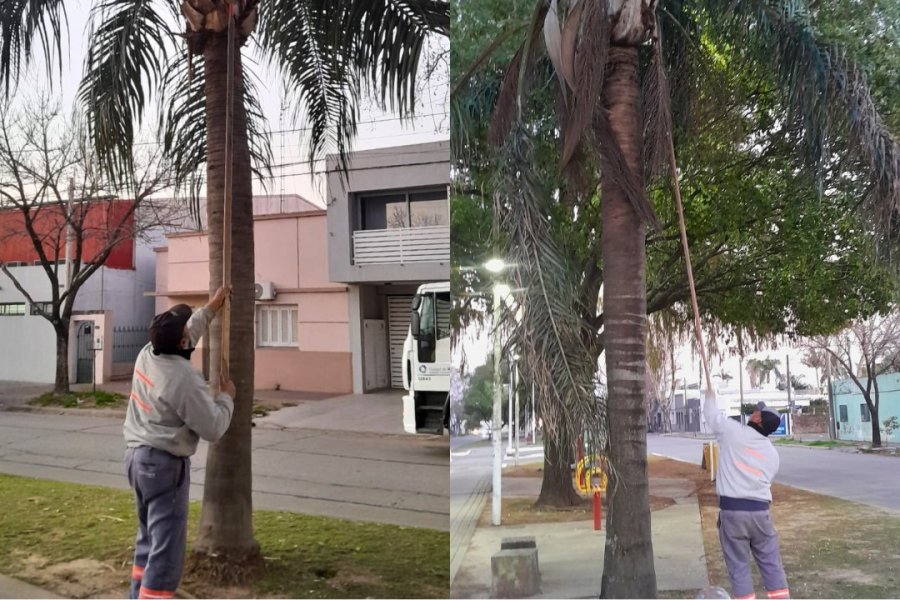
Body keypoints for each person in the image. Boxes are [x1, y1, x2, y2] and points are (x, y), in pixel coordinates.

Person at [123, 287, 235, 600]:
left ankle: (136, 595)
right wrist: (227, 397)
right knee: (166, 552)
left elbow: (187, 336)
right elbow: (213, 427)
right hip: (163, 467)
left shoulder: (148, 353)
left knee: (148, 540)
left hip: (136, 460)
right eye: (186, 329)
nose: (189, 332)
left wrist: (210, 309)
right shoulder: (183, 379)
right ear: (181, 342)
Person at [704, 395, 790, 600]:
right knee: (772, 566)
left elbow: (712, 416)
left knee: (739, 568)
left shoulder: (733, 432)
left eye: (757, 411)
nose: (754, 411)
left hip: (732, 514)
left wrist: (709, 397)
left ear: (759, 419)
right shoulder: (772, 454)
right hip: (761, 515)